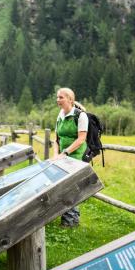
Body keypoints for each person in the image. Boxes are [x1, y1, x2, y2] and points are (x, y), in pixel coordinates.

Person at [53, 87, 88, 227]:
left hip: (76, 157)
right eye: (57, 97)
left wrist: (65, 153)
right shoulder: (60, 115)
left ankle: (71, 221)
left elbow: (81, 139)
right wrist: (56, 154)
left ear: (70, 99)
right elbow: (56, 139)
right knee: (64, 187)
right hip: (62, 157)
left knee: (71, 187)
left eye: (61, 97)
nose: (58, 100)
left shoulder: (81, 116)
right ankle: (69, 220)